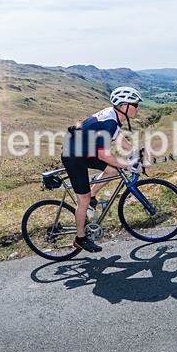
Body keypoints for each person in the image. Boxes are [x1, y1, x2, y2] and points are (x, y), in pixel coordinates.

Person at [61, 86, 144, 253]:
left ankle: (92, 193)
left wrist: (135, 151)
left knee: (113, 171)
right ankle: (80, 238)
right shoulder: (110, 121)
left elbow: (118, 137)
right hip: (74, 155)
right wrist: (128, 165)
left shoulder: (113, 116)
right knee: (82, 201)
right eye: (135, 104)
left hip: (84, 149)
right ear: (123, 106)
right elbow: (104, 155)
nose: (138, 108)